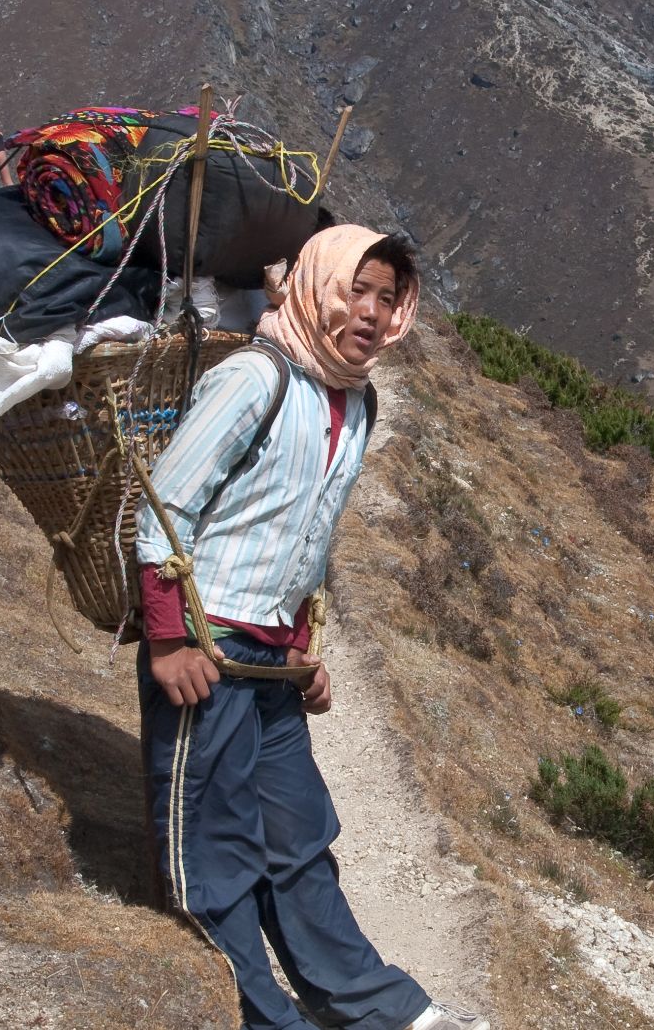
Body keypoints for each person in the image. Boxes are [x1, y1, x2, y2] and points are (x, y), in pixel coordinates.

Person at [135, 225, 487, 1030]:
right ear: (319, 286)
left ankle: (375, 1010)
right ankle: (263, 1017)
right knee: (210, 850)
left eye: (387, 298)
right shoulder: (255, 379)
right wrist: (168, 639)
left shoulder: (355, 400)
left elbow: (309, 534)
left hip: (270, 662)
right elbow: (166, 507)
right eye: (356, 290)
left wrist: (300, 649)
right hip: (208, 645)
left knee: (298, 839)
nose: (369, 312)